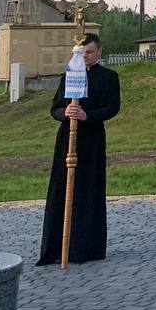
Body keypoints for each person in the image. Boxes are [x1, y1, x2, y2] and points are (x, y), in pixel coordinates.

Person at [37, 33, 121, 266]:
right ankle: (56, 246)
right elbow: (54, 108)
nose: (86, 56)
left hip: (91, 138)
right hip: (67, 138)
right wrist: (64, 113)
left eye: (90, 52)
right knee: (61, 188)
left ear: (99, 52)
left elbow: (112, 107)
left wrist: (87, 115)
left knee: (88, 187)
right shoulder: (69, 75)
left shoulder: (108, 77)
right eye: (82, 53)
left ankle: (85, 246)